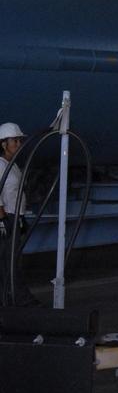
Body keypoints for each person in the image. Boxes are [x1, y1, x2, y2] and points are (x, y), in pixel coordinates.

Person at [0, 122, 36, 307]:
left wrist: (21, 218)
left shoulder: (12, 165)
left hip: (15, 217)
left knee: (12, 260)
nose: (19, 144)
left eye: (20, 141)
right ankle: (19, 299)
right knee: (9, 262)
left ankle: (12, 298)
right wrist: (3, 219)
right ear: (4, 143)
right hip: (7, 218)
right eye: (16, 140)